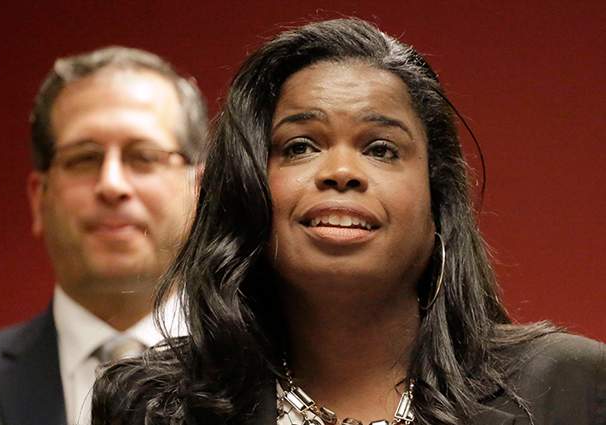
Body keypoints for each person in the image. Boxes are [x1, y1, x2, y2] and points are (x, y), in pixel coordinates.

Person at [92, 19, 605, 425]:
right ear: (245, 188)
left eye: (381, 149)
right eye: (300, 146)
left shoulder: (570, 387)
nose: (340, 172)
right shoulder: (150, 406)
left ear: (437, 198)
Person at [0, 47, 208, 425]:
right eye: (84, 159)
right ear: (38, 198)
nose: (112, 185)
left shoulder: (278, 379)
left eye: (143, 156)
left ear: (199, 191)